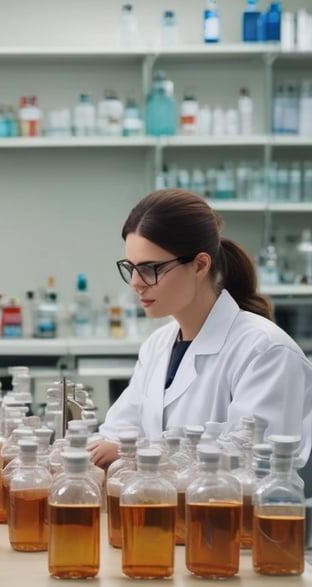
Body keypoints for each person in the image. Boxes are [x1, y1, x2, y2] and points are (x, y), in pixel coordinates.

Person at [89, 189, 312, 469]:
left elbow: (255, 464)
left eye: (150, 268)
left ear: (200, 265)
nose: (136, 282)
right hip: (162, 508)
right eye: (131, 268)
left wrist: (136, 454)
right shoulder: (158, 345)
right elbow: (116, 434)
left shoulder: (265, 351)